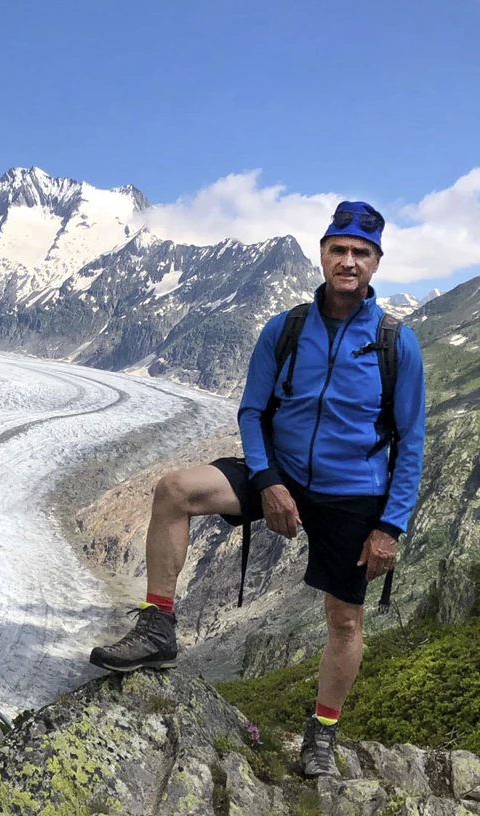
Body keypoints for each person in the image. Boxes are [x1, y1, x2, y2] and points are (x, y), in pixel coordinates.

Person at [88, 201, 426, 778]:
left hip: (353, 495)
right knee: (174, 490)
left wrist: (388, 527)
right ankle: (158, 626)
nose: (348, 261)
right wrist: (268, 480)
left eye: (360, 253)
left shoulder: (398, 344)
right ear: (322, 254)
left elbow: (411, 443)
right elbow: (251, 411)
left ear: (375, 264)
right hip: (282, 471)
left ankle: (321, 732)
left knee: (344, 621)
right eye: (338, 249)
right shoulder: (287, 328)